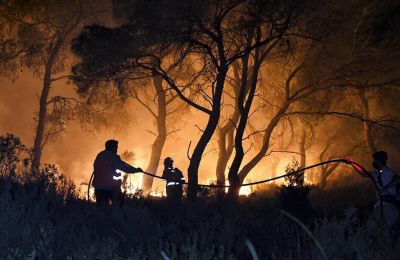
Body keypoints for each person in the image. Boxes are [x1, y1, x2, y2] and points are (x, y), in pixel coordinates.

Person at [352, 151, 400, 227]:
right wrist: (353, 163)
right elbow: (363, 173)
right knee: (374, 228)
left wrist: (383, 190)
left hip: (388, 206)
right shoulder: (377, 173)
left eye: (375, 160)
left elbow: (397, 179)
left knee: (379, 229)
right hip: (381, 205)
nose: (373, 162)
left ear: (379, 161)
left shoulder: (387, 171)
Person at [92, 139, 142, 208]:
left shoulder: (100, 155)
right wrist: (135, 170)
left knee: (101, 208)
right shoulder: (113, 157)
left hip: (98, 186)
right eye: (116, 147)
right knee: (119, 203)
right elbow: (124, 167)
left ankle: (101, 218)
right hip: (111, 187)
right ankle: (115, 217)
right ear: (113, 147)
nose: (116, 149)